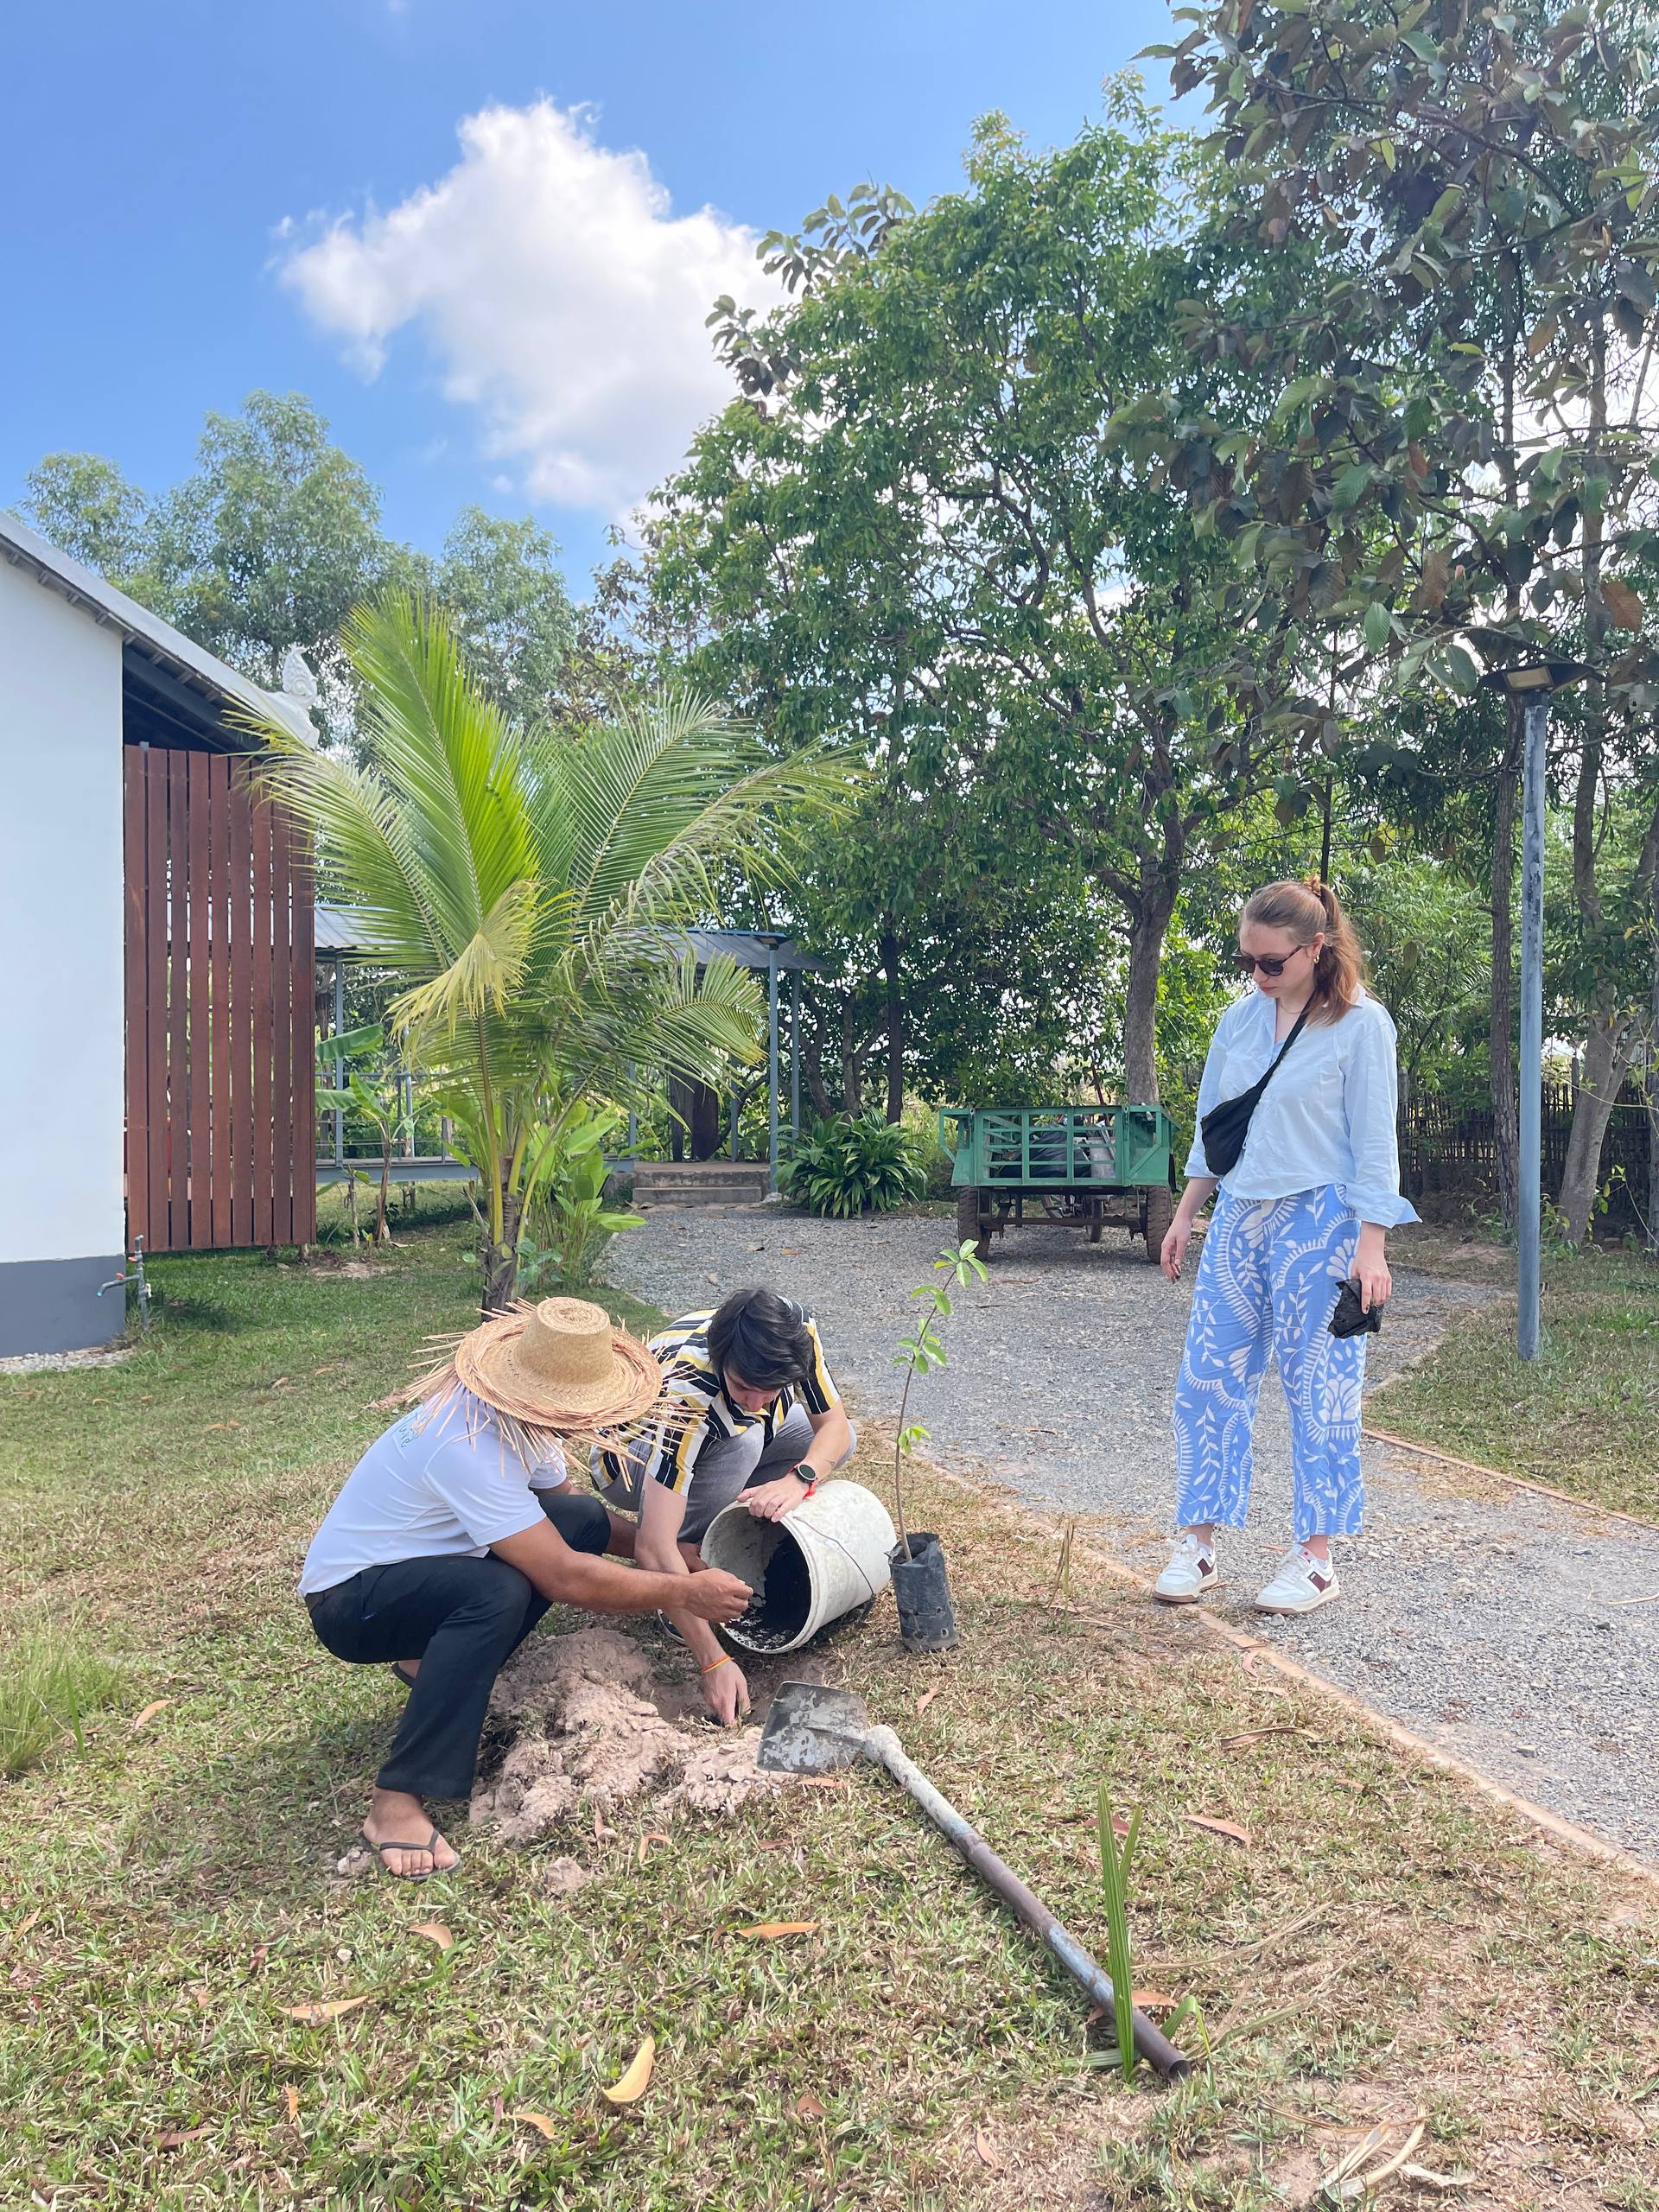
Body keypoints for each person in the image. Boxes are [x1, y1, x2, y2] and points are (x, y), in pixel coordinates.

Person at [300, 1296, 753, 1879]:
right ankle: (395, 1801)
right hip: (351, 1600)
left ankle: (428, 1666)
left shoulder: (525, 1419)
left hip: (422, 1562)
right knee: (495, 1594)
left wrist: (669, 1551)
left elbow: (565, 1511)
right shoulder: (467, 1443)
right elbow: (563, 1576)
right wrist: (681, 1592)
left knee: (583, 1518)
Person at [1155, 876, 1417, 1617]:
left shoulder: (1362, 1025)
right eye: (1247, 961)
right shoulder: (1239, 1023)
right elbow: (1216, 1129)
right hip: (1241, 1214)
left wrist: (1373, 1248)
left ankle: (1316, 1558)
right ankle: (1198, 1543)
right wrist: (1185, 1217)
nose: (1258, 975)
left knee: (1320, 1388)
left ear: (1315, 948)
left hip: (1323, 1219)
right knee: (1207, 1378)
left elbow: (1374, 1144)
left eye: (1272, 963)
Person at [594, 1287, 856, 1726]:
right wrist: (713, 1661)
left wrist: (799, 1478)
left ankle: (719, 1515)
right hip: (629, 1459)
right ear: (721, 1363)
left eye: (771, 1390)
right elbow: (652, 1547)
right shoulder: (688, 1394)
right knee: (742, 1440)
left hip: (719, 1434)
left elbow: (834, 1427)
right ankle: (691, 1560)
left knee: (827, 1443)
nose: (756, 1401)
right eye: (743, 1387)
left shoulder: (796, 1334)